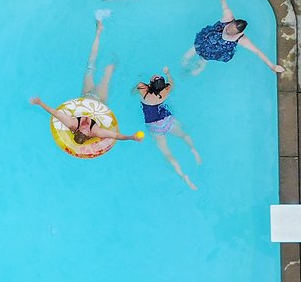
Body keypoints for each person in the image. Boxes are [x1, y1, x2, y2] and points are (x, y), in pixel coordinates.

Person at [28, 15, 142, 146]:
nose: (86, 125)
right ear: (89, 135)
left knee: (90, 65)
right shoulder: (96, 132)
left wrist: (39, 102)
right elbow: (115, 135)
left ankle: (99, 32)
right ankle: (119, 57)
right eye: (87, 130)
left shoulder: (71, 124)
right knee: (108, 71)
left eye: (83, 127)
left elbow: (55, 113)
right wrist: (132, 137)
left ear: (76, 130)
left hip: (86, 94)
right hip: (100, 99)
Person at [183, 0, 284, 76]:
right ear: (232, 22)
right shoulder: (228, 17)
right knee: (185, 59)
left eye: (230, 32)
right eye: (228, 28)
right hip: (206, 40)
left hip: (214, 52)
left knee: (198, 69)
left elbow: (257, 52)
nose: (227, 31)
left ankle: (197, 66)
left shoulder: (242, 40)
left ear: (237, 34)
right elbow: (222, 0)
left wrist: (272, 66)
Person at [137, 69, 201, 190]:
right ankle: (193, 150)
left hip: (154, 126)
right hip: (166, 120)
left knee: (167, 153)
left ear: (150, 84)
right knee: (184, 135)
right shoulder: (165, 92)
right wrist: (168, 73)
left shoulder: (143, 90)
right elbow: (172, 82)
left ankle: (183, 176)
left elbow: (133, 91)